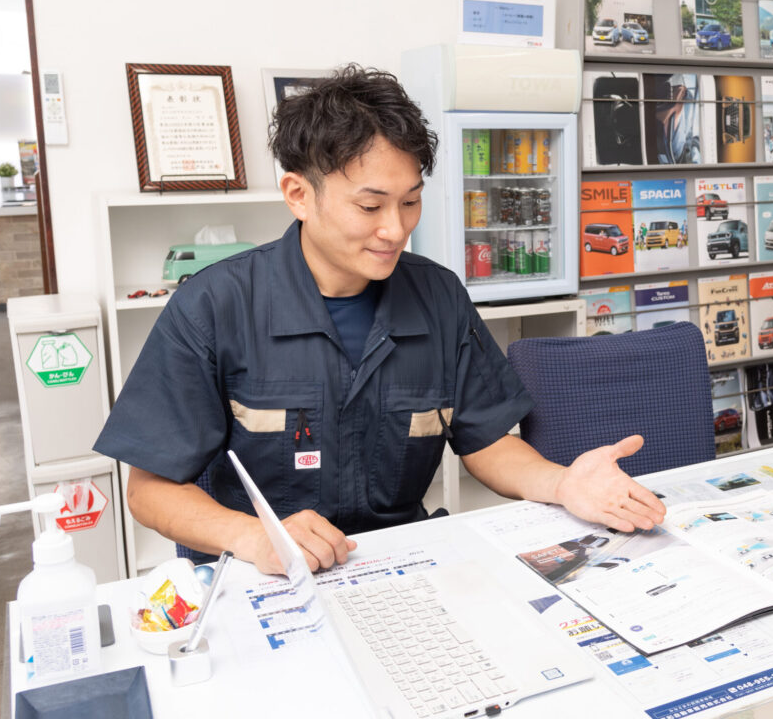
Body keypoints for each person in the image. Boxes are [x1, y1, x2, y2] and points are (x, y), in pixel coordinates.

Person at [95, 65, 666, 574]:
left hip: (400, 568)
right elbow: (149, 489)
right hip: (261, 575)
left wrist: (562, 483)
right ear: (298, 194)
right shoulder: (214, 306)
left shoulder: (437, 295)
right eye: (370, 206)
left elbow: (487, 441)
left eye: (410, 201)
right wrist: (250, 536)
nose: (395, 228)